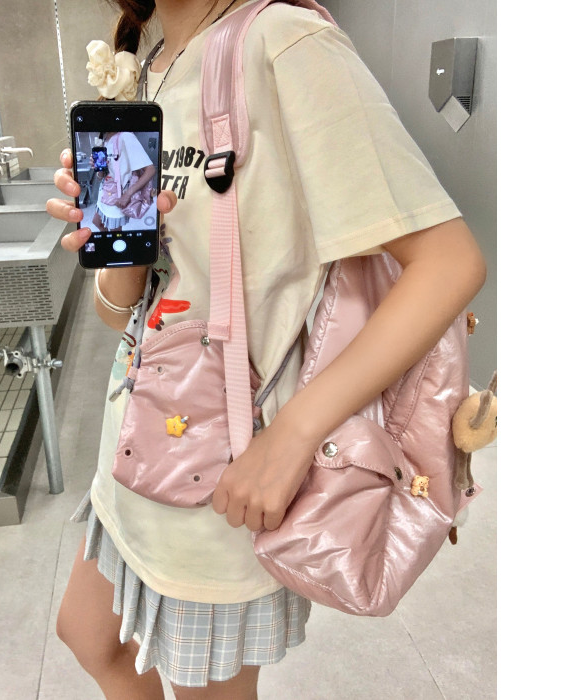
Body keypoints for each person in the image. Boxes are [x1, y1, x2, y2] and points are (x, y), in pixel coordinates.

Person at [45, 0, 487, 698]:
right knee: (88, 634)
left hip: (222, 482)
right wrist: (119, 243)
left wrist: (293, 435)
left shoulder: (283, 43)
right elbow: (121, 312)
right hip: (133, 446)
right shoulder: (153, 66)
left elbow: (449, 263)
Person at [91, 131, 157, 232]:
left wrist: (127, 195)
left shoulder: (126, 136)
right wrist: (98, 168)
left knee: (115, 232)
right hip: (104, 193)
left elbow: (150, 170)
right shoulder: (104, 139)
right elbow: (101, 176)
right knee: (97, 222)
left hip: (117, 197)